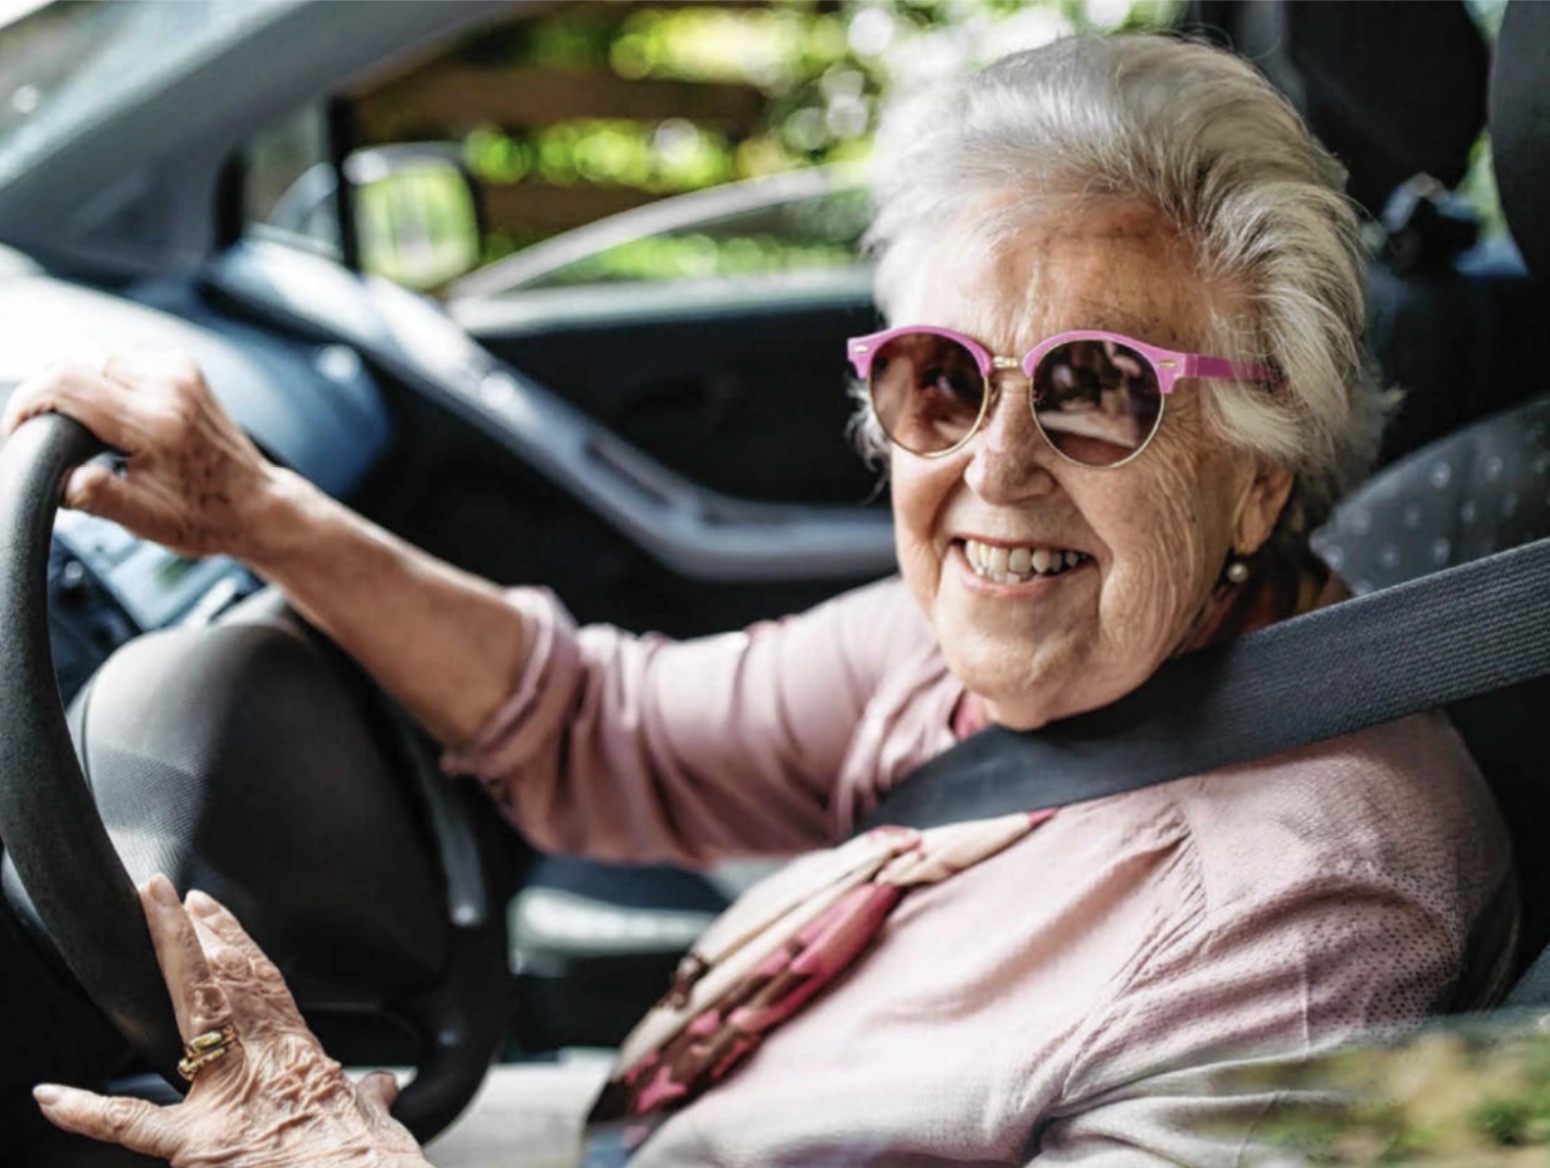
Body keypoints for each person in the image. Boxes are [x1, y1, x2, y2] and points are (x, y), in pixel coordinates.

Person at [4, 32, 1512, 1168]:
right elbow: (599, 722)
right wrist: (257, 512)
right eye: (944, 378)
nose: (996, 465)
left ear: (1257, 477)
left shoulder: (1307, 918)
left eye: (1099, 390)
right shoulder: (1004, 648)